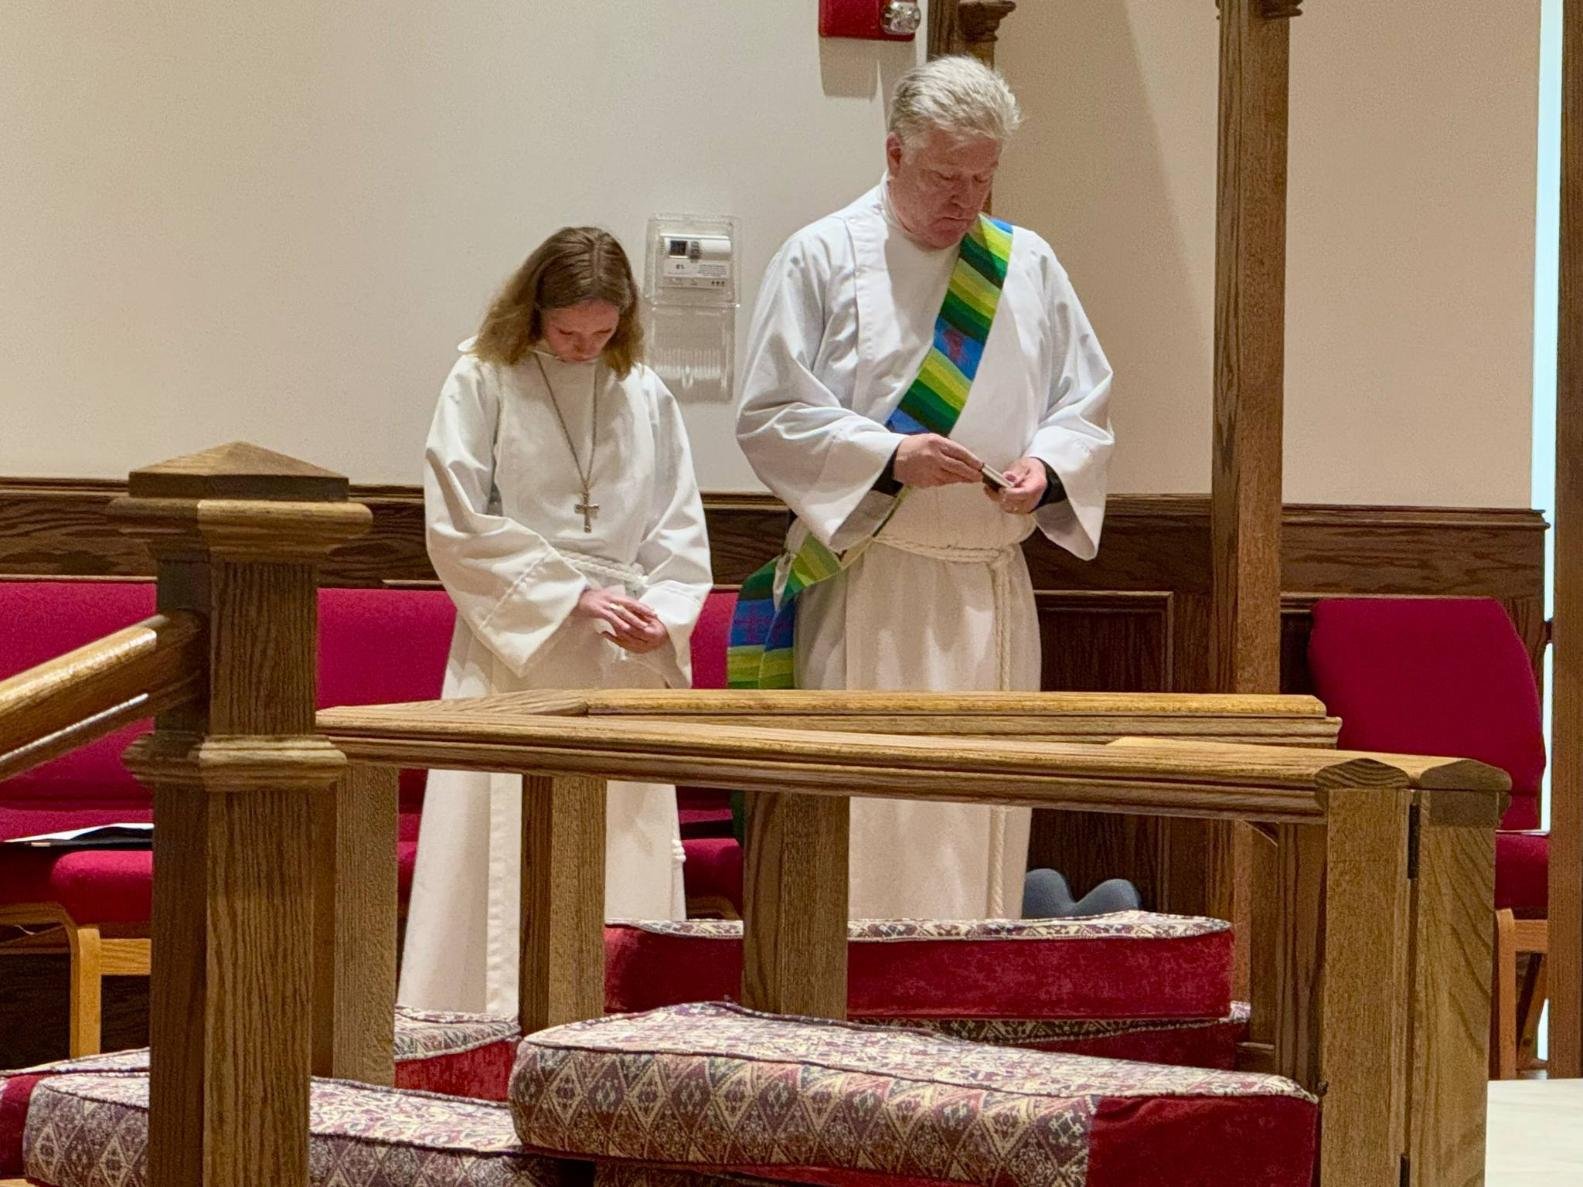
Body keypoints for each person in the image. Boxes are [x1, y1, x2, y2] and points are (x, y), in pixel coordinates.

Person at [731, 56, 1115, 920]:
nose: (965, 200)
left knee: (976, 814)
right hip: (875, 575)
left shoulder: (1026, 264)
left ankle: (969, 1005)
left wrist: (1046, 468)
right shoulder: (822, 256)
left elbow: (1083, 404)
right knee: (875, 817)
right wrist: (885, 455)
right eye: (946, 176)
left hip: (987, 586)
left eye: (983, 177)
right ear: (894, 152)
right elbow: (769, 414)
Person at [401, 227, 712, 1014]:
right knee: (499, 856)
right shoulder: (483, 376)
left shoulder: (643, 391)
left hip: (619, 660)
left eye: (602, 334)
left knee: (620, 858)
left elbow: (678, 528)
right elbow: (457, 519)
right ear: (532, 309)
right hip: (519, 642)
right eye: (568, 332)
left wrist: (664, 619)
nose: (583, 349)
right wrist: (567, 594)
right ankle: (474, 1030)